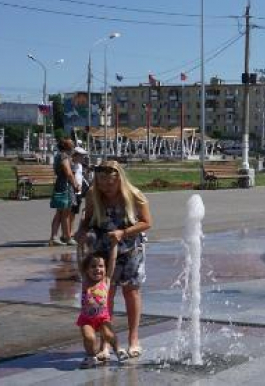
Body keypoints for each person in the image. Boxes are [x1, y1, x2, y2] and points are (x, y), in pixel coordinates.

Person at [76, 160, 152, 358]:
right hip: (103, 249)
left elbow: (146, 223)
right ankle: (105, 344)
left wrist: (124, 232)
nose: (106, 188)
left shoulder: (133, 195)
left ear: (119, 179)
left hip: (130, 249)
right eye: (102, 183)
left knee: (131, 292)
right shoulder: (93, 195)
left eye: (110, 183)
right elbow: (87, 220)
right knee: (104, 295)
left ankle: (133, 339)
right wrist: (81, 232)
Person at [77, 245, 123, 368]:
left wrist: (113, 245)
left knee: (109, 335)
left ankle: (118, 349)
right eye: (93, 266)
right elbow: (81, 259)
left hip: (102, 318)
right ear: (86, 270)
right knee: (89, 337)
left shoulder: (106, 281)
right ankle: (91, 356)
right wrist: (79, 244)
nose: (97, 269)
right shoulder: (85, 281)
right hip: (86, 319)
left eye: (101, 266)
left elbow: (112, 260)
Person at [50, 138, 79, 246]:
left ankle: (54, 236)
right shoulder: (64, 156)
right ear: (67, 146)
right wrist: (75, 184)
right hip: (65, 186)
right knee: (66, 212)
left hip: (61, 184)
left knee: (60, 212)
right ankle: (67, 237)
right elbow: (68, 172)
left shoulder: (59, 155)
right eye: (72, 144)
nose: (73, 145)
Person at [69, 146, 90, 237]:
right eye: (81, 156)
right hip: (73, 190)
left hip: (79, 191)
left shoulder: (80, 165)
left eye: (83, 156)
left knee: (74, 212)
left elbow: (80, 177)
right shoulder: (72, 164)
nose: (83, 158)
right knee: (71, 212)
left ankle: (71, 230)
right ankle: (69, 231)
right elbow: (72, 177)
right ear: (75, 155)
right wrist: (75, 186)